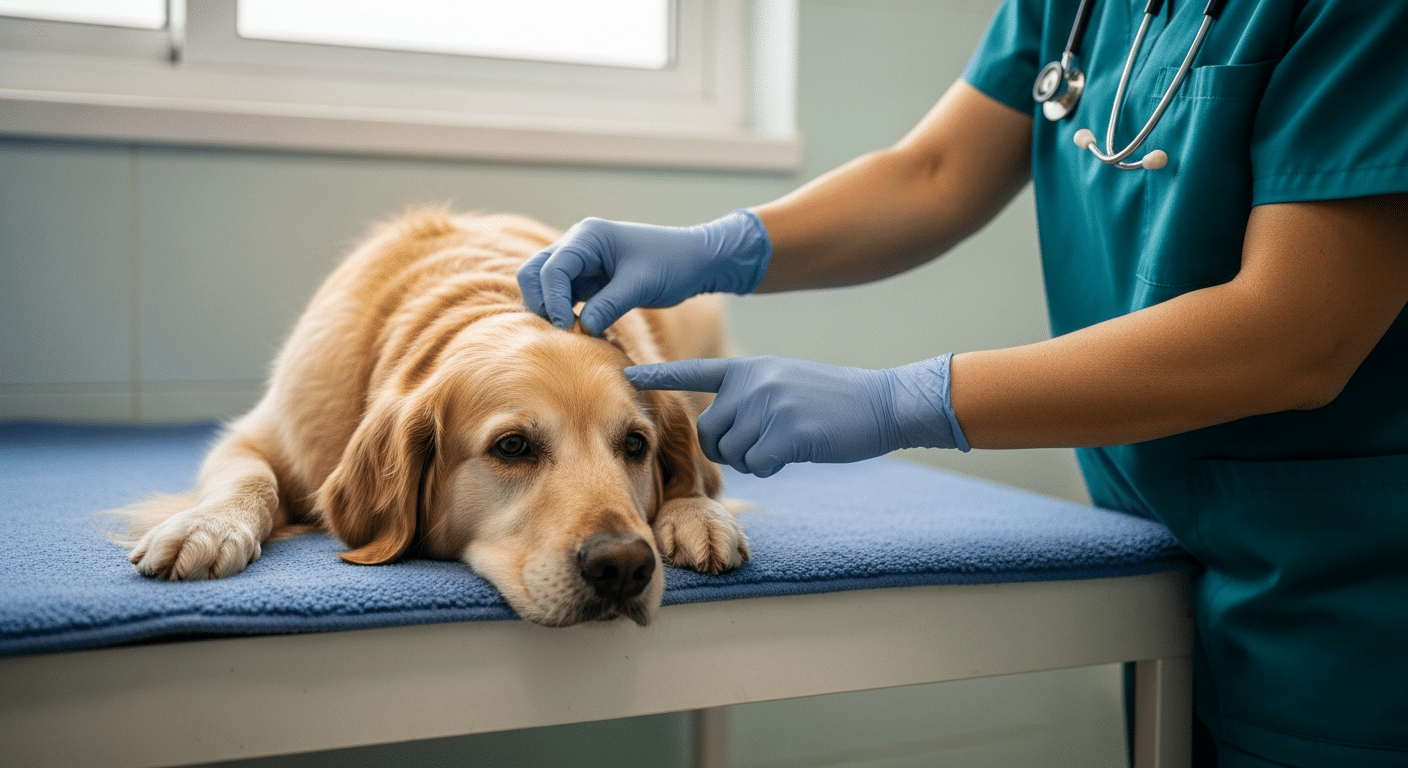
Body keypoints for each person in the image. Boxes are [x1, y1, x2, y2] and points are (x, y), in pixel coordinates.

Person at [518, 1, 1408, 765]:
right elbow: (935, 173)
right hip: (1163, 541)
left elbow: (1300, 333)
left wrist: (903, 400)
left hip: (1350, 587)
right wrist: (720, 246)